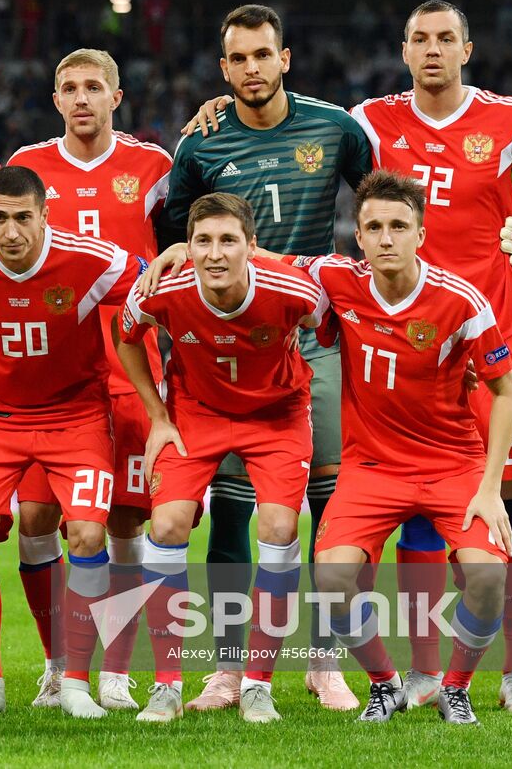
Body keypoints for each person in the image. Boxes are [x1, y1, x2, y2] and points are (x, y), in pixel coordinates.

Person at [348, 1, 512, 714]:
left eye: (446, 40)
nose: (433, 50)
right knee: (421, 511)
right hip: (408, 349)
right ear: (403, 50)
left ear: (468, 48)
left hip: (494, 342)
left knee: (511, 512)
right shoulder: (370, 122)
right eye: (420, 40)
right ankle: (425, 672)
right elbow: (294, 130)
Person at [161, 4, 370, 712]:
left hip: (312, 331)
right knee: (231, 509)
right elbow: (169, 233)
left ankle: (324, 661)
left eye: (263, 54)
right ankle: (226, 670)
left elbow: (381, 210)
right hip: (232, 345)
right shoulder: (200, 144)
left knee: (330, 503)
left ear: (285, 58)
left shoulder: (335, 128)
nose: (251, 67)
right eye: (238, 58)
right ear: (224, 69)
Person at [294, 170, 512, 726]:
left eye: (399, 225)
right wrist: (181, 246)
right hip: (371, 466)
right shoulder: (333, 279)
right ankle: (386, 684)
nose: (386, 237)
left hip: (453, 463)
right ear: (359, 237)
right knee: (331, 579)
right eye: (374, 226)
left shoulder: (462, 301)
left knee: (488, 578)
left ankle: (457, 687)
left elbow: (506, 391)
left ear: (421, 233)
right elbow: (257, 261)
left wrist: (491, 489)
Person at [0, 165, 145, 719]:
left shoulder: (90, 259)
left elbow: (148, 279)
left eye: (24, 218)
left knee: (90, 535)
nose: (11, 231)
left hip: (76, 417)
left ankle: (75, 682)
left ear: (46, 216)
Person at [118, 192, 327, 723]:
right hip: (195, 413)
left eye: (229, 240)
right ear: (186, 248)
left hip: (277, 415)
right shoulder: (164, 289)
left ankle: (257, 684)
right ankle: (167, 686)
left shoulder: (292, 290)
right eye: (203, 241)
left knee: (279, 528)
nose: (215, 253)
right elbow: (126, 338)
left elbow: (326, 323)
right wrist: (157, 416)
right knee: (165, 526)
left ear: (252, 248)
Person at [7, 47, 172, 710]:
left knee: (128, 521)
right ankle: (55, 664)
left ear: (116, 96)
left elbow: (181, 250)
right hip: (48, 378)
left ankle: (115, 671)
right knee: (39, 517)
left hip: (132, 371)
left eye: (93, 87)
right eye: (69, 87)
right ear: (55, 100)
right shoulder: (26, 167)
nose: (81, 97)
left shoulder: (153, 167)